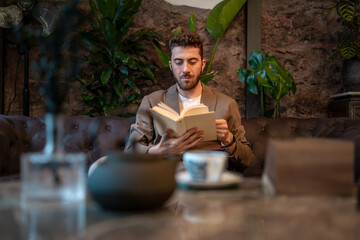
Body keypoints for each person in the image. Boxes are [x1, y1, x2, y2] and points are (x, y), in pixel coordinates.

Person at [124, 32, 256, 173]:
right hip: (166, 180)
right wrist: (158, 151)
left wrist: (229, 140)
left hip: (210, 181)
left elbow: (249, 161)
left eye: (192, 62)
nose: (186, 69)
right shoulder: (152, 102)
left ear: (202, 64)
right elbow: (129, 152)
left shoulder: (226, 104)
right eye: (179, 62)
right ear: (170, 65)